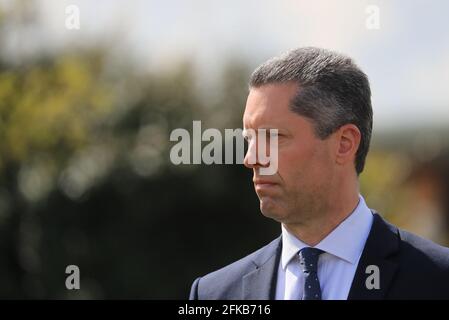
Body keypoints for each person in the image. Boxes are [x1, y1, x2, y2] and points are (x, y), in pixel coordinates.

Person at [189, 47, 449, 300]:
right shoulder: (214, 294)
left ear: (344, 143)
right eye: (250, 140)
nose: (251, 159)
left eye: (273, 137)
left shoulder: (437, 280)